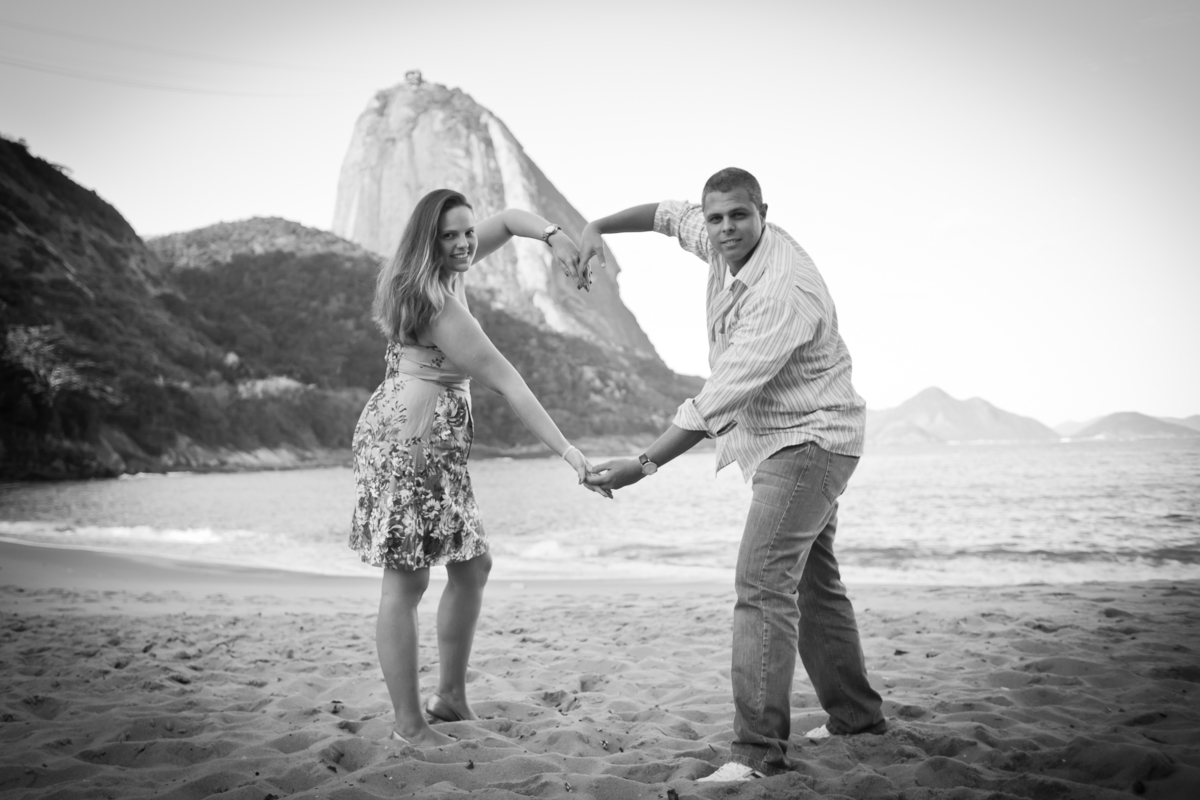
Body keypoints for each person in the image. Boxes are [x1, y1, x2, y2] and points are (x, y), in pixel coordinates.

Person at [580, 168, 886, 781]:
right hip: (785, 438)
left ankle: (756, 753)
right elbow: (667, 216)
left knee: (762, 585)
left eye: (739, 216)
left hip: (810, 441)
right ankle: (857, 717)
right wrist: (597, 226)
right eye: (716, 217)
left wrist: (643, 464)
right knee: (812, 584)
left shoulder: (781, 291)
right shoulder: (719, 239)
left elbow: (717, 399)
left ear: (762, 212)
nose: (725, 228)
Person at [350, 188, 605, 747]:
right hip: (409, 444)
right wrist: (569, 453)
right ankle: (409, 724)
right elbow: (510, 382)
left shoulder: (445, 266)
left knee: (472, 566)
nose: (465, 243)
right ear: (428, 242)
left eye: (468, 231)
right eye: (450, 236)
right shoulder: (437, 304)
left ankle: (449, 696)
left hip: (431, 443)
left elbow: (510, 220)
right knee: (407, 580)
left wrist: (554, 237)